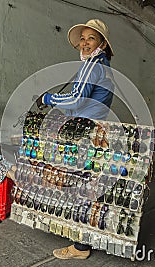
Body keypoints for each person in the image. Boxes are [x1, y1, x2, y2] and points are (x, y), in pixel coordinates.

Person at [35, 19, 115, 260]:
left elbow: (76, 100)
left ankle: (80, 247)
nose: (85, 42)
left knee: (80, 188)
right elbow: (78, 101)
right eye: (82, 38)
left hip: (86, 134)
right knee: (88, 186)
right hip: (92, 131)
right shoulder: (102, 65)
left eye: (91, 38)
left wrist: (47, 99)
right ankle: (86, 239)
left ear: (101, 42)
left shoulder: (94, 65)